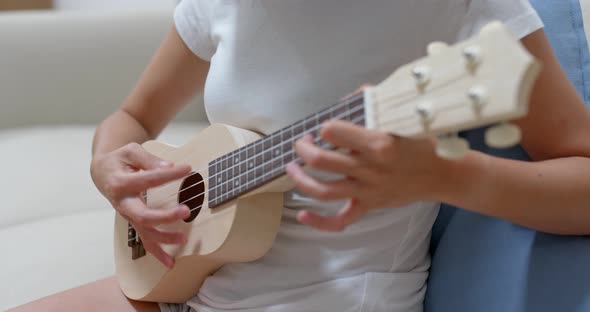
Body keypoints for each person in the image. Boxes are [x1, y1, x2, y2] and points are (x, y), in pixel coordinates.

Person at [11, 1, 590, 312]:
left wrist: (445, 176)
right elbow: (133, 116)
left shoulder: (458, 8)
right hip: (185, 284)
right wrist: (107, 164)